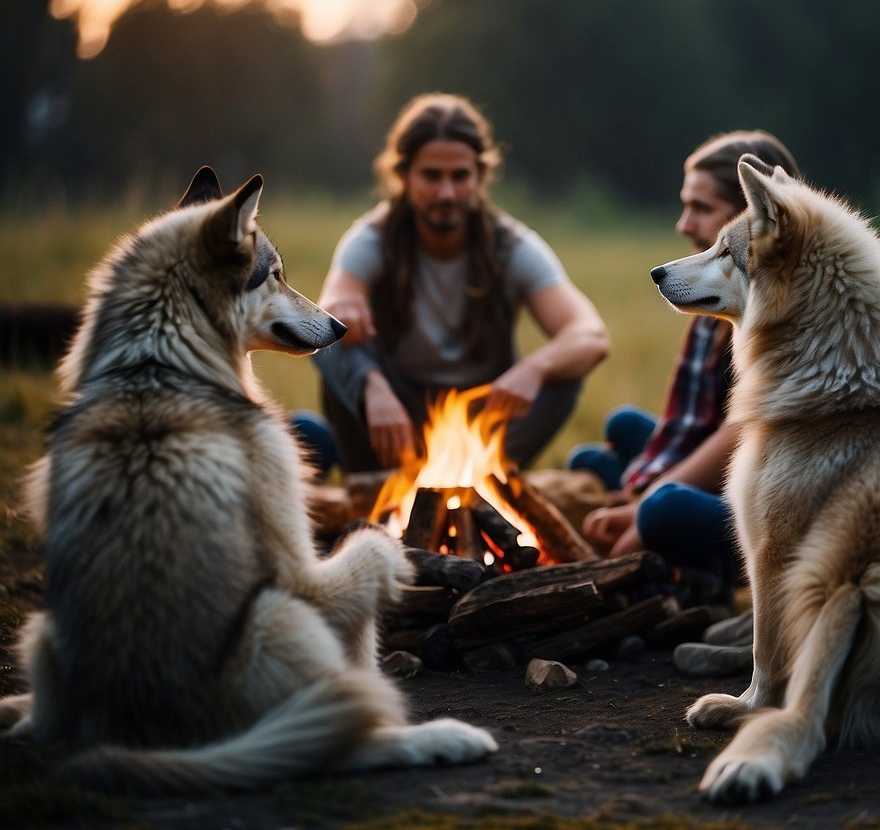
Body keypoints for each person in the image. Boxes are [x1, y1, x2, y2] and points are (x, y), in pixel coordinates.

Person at [296, 93, 609, 475]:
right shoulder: (371, 239)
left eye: (460, 176)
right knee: (331, 340)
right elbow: (327, 318)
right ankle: (373, 489)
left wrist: (536, 368)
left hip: (483, 421)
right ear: (404, 175)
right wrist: (371, 385)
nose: (447, 192)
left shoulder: (513, 246)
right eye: (432, 175)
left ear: (480, 175)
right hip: (393, 421)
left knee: (564, 373)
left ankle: (480, 487)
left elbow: (591, 335)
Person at [568, 130, 800, 600]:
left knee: (664, 509)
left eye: (701, 207)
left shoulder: (778, 312)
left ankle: (699, 574)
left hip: (764, 499)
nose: (683, 223)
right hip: (721, 466)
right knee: (608, 440)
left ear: (753, 215)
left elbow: (738, 437)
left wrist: (644, 505)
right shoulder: (717, 300)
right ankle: (669, 535)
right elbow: (702, 422)